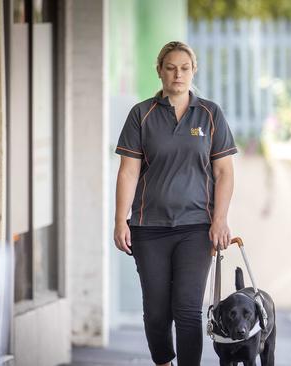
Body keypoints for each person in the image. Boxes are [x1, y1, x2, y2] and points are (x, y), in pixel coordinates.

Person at [113, 41, 237, 366]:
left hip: (196, 228)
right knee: (156, 312)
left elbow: (224, 172)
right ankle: (163, 361)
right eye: (170, 67)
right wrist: (119, 220)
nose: (177, 74)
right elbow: (128, 172)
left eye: (184, 68)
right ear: (160, 71)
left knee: (187, 308)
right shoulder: (141, 114)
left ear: (193, 70)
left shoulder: (210, 114)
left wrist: (220, 219)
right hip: (148, 227)